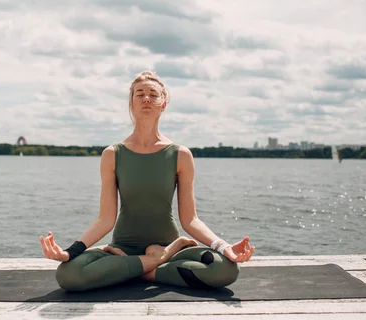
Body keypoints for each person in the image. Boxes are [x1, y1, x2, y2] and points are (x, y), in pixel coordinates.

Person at [39, 70, 255, 292]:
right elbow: (105, 219)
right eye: (139, 94)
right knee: (68, 275)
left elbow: (190, 220)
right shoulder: (113, 154)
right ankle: (154, 263)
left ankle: (137, 269)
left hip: (168, 248)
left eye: (153, 94)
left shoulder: (180, 155)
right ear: (131, 104)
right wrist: (69, 252)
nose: (146, 98)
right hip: (122, 249)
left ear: (163, 104)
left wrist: (224, 246)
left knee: (226, 269)